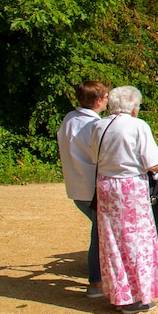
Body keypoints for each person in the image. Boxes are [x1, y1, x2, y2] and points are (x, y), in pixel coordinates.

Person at [87, 86, 158, 314]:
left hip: (106, 186)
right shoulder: (138, 126)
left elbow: (94, 155)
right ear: (133, 107)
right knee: (137, 241)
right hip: (130, 188)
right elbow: (151, 162)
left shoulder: (99, 125)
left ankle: (120, 294)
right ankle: (138, 296)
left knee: (113, 242)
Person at [56, 81, 109, 298]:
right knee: (99, 233)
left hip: (75, 185)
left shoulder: (69, 119)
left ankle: (101, 278)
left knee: (100, 231)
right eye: (106, 97)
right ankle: (96, 282)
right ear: (97, 101)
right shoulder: (94, 126)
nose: (108, 100)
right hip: (92, 187)